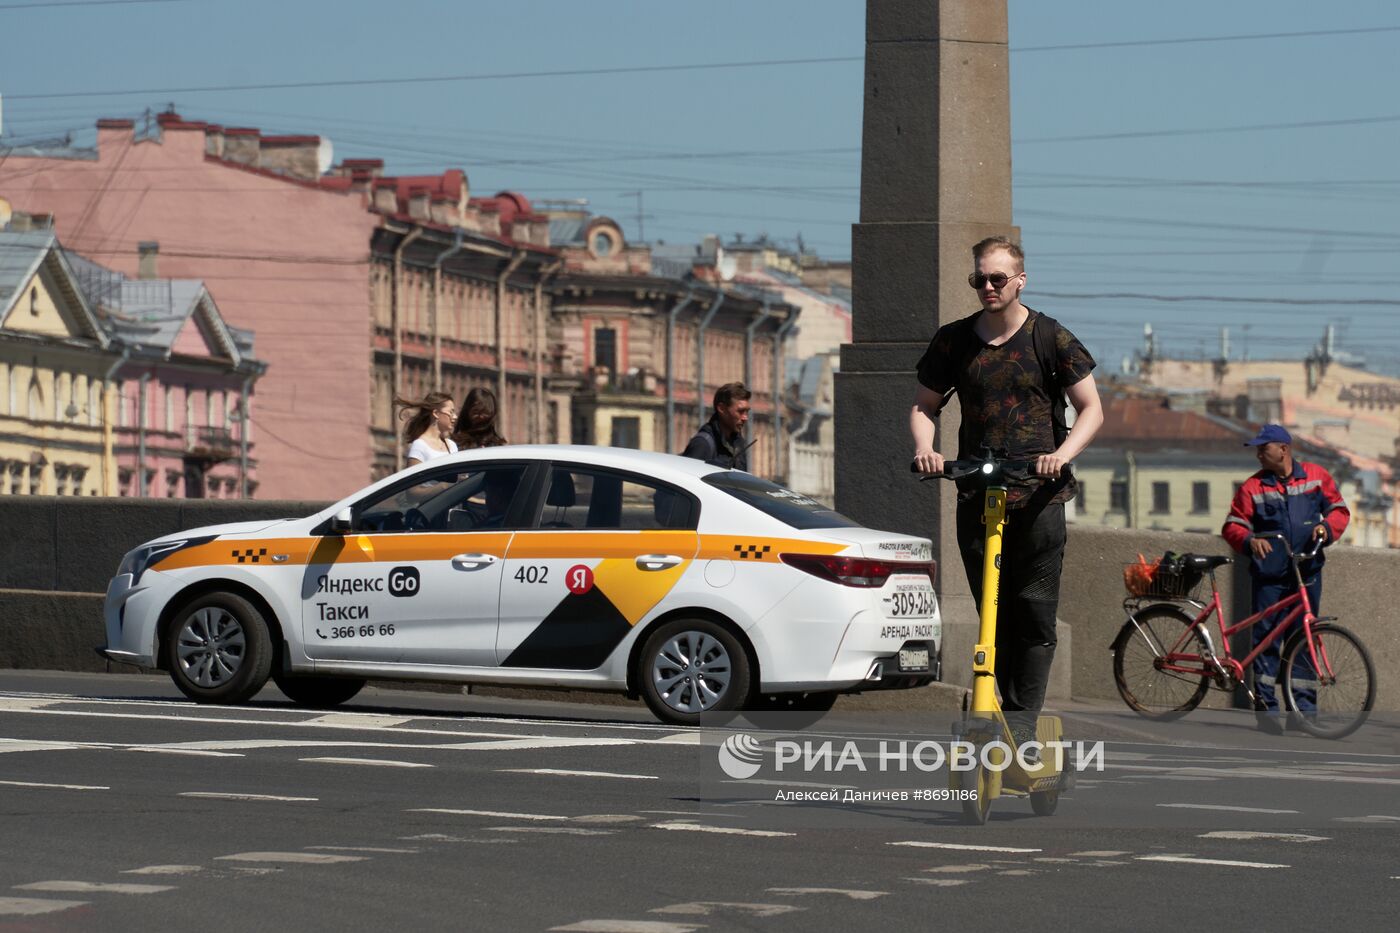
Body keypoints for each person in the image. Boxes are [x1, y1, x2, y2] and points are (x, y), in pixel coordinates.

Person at [910, 236, 1103, 751]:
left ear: (1021, 279)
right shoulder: (954, 341)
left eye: (998, 278)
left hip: (1040, 499)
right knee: (990, 613)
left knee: (1033, 614)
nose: (988, 287)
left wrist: (1060, 457)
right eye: (980, 279)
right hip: (978, 494)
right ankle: (987, 712)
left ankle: (1022, 726)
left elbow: (1091, 409)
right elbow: (924, 405)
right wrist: (926, 449)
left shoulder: (1050, 337)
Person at [1221, 424, 1349, 733]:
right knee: (1267, 642)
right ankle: (1266, 711)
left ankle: (1303, 713)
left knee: (1304, 642)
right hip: (1270, 576)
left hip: (1307, 573)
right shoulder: (1253, 487)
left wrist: (1326, 529)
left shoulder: (1316, 477)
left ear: (1283, 449)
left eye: (1262, 449)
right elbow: (1232, 526)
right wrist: (1250, 541)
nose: (1258, 455)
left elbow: (1339, 511)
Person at [683, 382, 752, 471]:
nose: (745, 418)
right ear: (721, 408)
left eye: (747, 412)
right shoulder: (703, 444)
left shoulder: (738, 444)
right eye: (740, 411)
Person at [397, 391, 458, 466]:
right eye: (451, 412)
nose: (455, 417)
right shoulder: (419, 446)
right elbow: (415, 477)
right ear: (436, 413)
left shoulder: (452, 446)